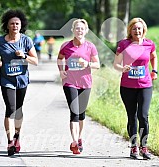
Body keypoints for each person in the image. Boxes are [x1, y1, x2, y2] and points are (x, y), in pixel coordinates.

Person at [0, 9, 38, 156]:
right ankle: (10, 141)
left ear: (21, 25)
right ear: (7, 25)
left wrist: (24, 56)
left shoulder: (26, 40)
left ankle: (17, 136)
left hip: (22, 80)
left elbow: (35, 61)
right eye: (12, 23)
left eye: (17, 23)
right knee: (10, 108)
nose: (15, 26)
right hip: (7, 80)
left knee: (18, 109)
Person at [113, 17, 158, 160]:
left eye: (139, 28)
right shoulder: (123, 44)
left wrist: (154, 70)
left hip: (145, 85)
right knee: (132, 117)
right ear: (130, 30)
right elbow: (116, 64)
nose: (137, 31)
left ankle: (144, 147)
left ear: (143, 29)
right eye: (134, 28)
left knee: (143, 116)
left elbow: (154, 57)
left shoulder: (149, 44)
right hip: (127, 86)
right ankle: (134, 147)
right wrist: (122, 68)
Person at [57, 19, 100, 154]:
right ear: (73, 30)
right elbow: (59, 58)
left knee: (81, 114)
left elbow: (97, 65)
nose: (79, 31)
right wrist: (61, 69)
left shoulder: (90, 47)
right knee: (74, 112)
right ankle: (74, 142)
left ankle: (80, 137)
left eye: (82, 29)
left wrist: (87, 64)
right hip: (69, 82)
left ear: (86, 31)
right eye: (77, 28)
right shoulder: (66, 46)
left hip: (85, 83)